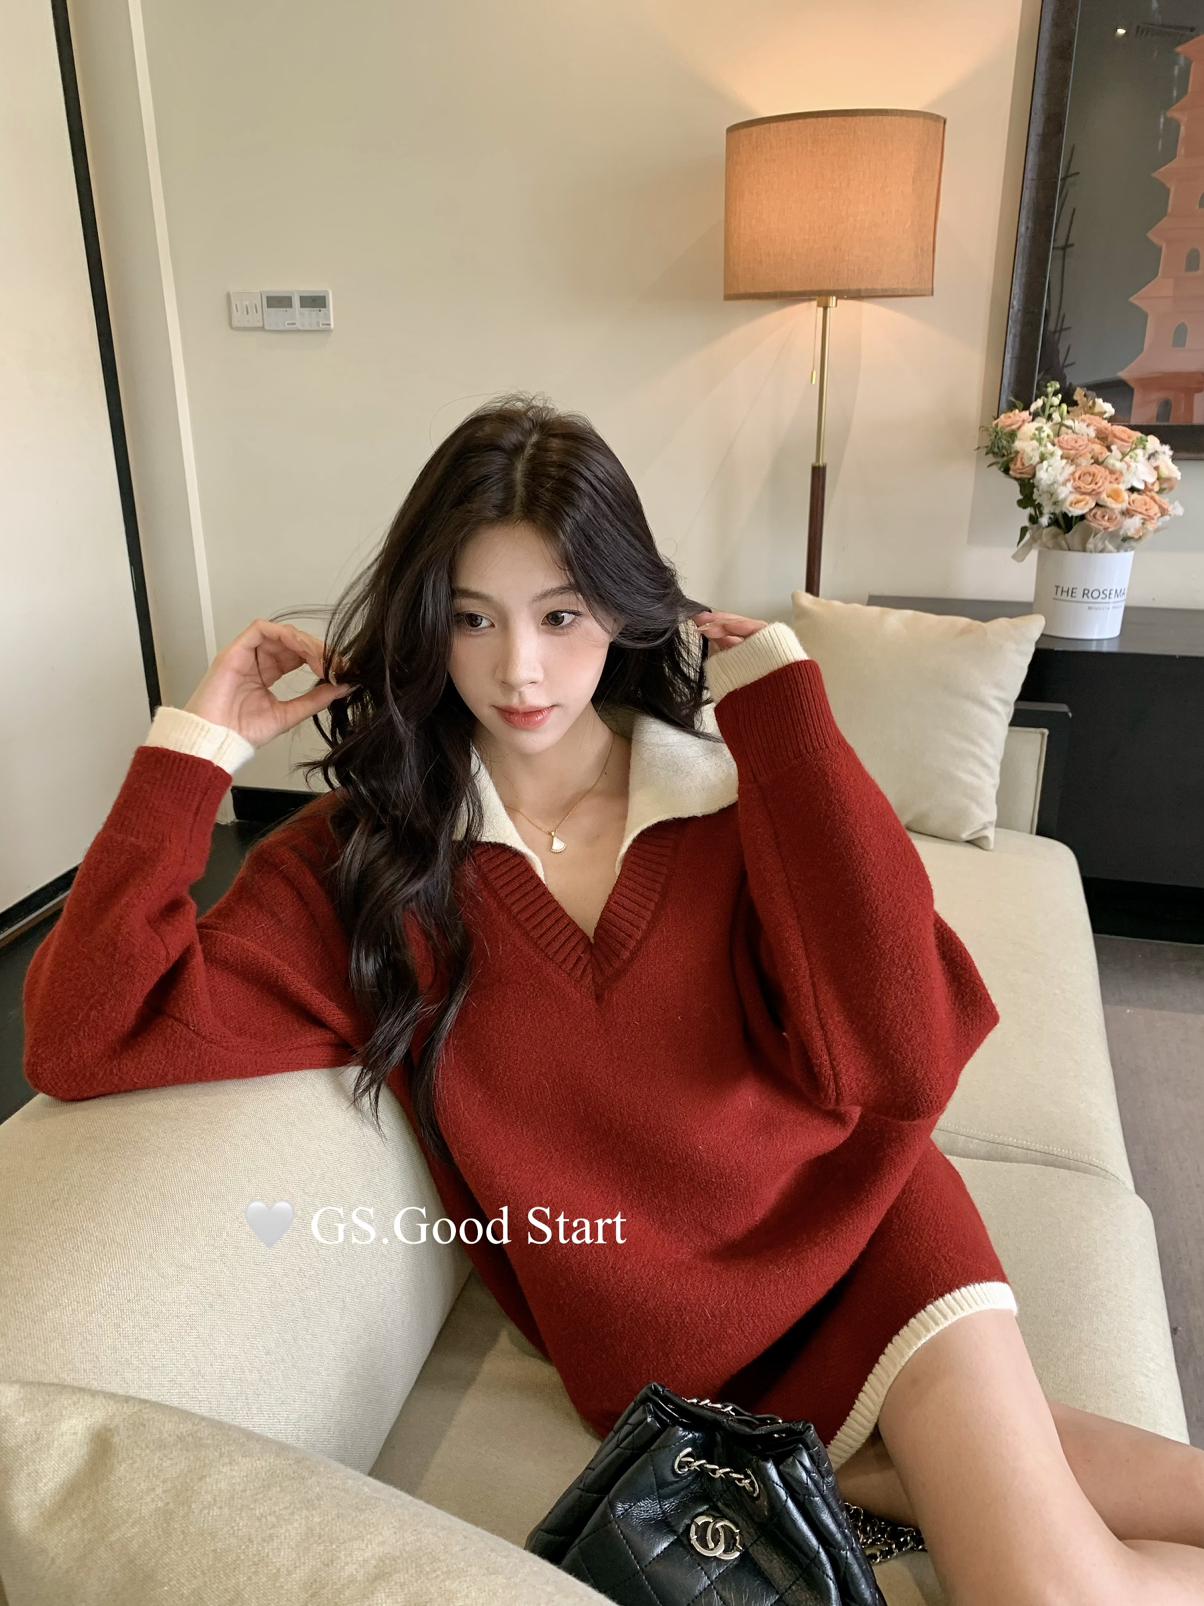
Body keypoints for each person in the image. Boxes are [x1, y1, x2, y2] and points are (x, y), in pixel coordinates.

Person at [23, 393, 1204, 1604]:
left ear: (625, 609)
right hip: (675, 1373)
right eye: (472, 618)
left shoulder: (735, 803)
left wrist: (789, 720)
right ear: (426, 624)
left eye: (561, 613)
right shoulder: (367, 864)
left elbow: (899, 1058)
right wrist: (193, 751)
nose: (519, 669)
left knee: (1054, 1590)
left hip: (869, 1248)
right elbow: (81, 1036)